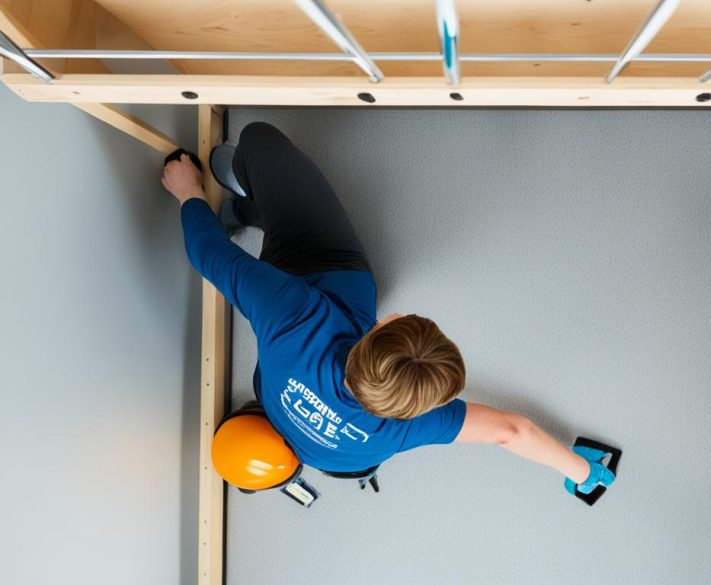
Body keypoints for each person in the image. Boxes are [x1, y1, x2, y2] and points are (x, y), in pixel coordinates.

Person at [162, 121, 615, 499]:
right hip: (287, 363)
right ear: (416, 408)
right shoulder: (402, 431)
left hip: (311, 266)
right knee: (275, 212)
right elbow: (509, 435)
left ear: (386, 324)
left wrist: (188, 191)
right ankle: (250, 211)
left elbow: (209, 254)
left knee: (258, 140)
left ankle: (248, 201)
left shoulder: (292, 317)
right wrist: (581, 475)